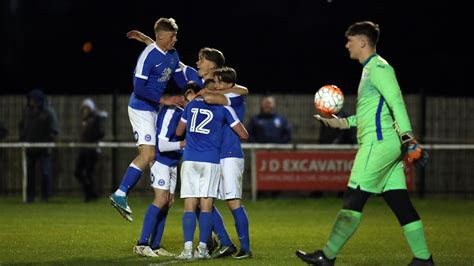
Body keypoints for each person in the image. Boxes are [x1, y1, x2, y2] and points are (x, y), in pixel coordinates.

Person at [296, 21, 433, 265]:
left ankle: (326, 256)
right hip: (387, 146)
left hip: (378, 146)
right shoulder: (369, 70)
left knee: (353, 200)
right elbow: (371, 115)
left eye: (350, 40)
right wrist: (340, 123)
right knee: (400, 202)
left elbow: (396, 102)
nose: (346, 44)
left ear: (362, 42)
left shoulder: (379, 68)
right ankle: (423, 259)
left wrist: (409, 138)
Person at [128, 30, 251, 259]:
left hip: (225, 152)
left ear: (213, 66)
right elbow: (176, 61)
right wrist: (148, 41)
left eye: (202, 59)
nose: (197, 62)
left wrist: (204, 93)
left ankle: (239, 246)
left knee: (229, 201)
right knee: (203, 201)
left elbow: (242, 90)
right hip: (207, 153)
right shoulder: (198, 78)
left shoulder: (224, 89)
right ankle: (221, 242)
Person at [109, 18, 184, 221]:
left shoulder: (172, 54)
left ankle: (151, 239)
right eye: (172, 36)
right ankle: (120, 193)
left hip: (153, 109)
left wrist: (198, 86)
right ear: (160, 36)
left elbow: (181, 79)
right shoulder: (148, 56)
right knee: (149, 154)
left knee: (151, 155)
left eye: (175, 35)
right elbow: (139, 88)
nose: (175, 39)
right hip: (140, 108)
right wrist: (164, 99)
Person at [174, 82, 249, 260]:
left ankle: (186, 249)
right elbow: (244, 134)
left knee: (189, 206)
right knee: (206, 206)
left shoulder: (191, 105)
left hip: (190, 159)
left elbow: (178, 132)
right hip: (210, 160)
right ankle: (202, 249)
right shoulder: (223, 109)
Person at [197, 67, 252, 259]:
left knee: (233, 201)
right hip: (216, 155)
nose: (216, 85)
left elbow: (212, 97)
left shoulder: (233, 97)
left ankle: (245, 248)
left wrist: (208, 91)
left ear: (229, 84)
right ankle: (226, 243)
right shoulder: (229, 92)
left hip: (230, 155)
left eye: (220, 82)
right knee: (205, 199)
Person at [133, 91, 186, 257]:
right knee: (161, 199)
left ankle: (155, 245)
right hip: (161, 160)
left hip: (172, 162)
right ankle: (142, 244)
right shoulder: (171, 112)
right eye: (194, 96)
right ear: (182, 96)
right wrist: (184, 144)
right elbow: (161, 145)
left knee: (168, 202)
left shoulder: (184, 113)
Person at [19, 88, 59, 203]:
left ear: (39, 100)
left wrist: (49, 140)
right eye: (30, 99)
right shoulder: (26, 112)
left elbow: (54, 129)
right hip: (29, 147)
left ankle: (45, 196)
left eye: (33, 99)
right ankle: (30, 196)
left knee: (46, 173)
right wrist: (22, 137)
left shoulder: (48, 112)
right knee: (29, 174)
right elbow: (21, 125)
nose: (31, 101)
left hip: (43, 148)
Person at [74, 98, 106, 202]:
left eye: (87, 109)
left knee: (88, 173)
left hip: (91, 150)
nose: (85, 111)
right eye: (84, 109)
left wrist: (91, 138)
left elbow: (100, 133)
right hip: (84, 149)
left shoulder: (95, 119)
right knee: (78, 172)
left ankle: (90, 195)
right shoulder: (84, 120)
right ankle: (91, 193)